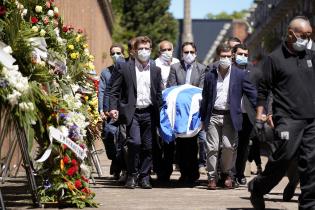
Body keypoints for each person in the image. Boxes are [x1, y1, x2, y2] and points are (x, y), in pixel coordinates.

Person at [248, 16, 315, 210]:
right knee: (283, 159)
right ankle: (258, 187)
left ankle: (309, 205)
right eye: (304, 35)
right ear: (291, 34)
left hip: (311, 118)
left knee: (311, 164)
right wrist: (261, 114)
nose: (308, 39)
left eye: (310, 35)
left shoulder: (311, 54)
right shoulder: (274, 59)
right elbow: (263, 89)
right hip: (287, 118)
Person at [200, 43, 256, 190]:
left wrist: (261, 108)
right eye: (222, 56)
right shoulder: (210, 75)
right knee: (212, 147)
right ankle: (212, 177)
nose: (225, 59)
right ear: (218, 57)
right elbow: (205, 98)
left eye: (228, 56)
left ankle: (226, 173)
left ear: (232, 57)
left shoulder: (239, 74)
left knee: (228, 146)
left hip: (230, 117)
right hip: (213, 115)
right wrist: (202, 118)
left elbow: (252, 93)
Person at [109, 36, 162, 189]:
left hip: (150, 112)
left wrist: (161, 110)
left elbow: (158, 93)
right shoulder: (124, 67)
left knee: (148, 146)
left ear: (151, 50)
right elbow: (114, 90)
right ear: (134, 51)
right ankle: (132, 174)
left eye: (147, 49)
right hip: (133, 113)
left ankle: (144, 176)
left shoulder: (155, 70)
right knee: (134, 143)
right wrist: (113, 108)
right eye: (141, 49)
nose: (144, 52)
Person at [166, 41, 206, 184]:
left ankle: (193, 173)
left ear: (196, 53)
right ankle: (184, 173)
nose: (189, 55)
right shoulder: (175, 68)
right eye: (186, 52)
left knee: (193, 144)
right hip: (179, 111)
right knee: (181, 144)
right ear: (182, 54)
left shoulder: (202, 69)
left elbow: (201, 90)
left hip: (195, 112)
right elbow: (171, 88)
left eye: (191, 52)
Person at [232, 44, 262, 186]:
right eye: (240, 54)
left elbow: (262, 93)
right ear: (233, 54)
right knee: (230, 145)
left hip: (248, 115)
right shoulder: (229, 70)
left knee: (244, 146)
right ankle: (229, 173)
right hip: (232, 114)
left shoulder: (255, 72)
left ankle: (239, 174)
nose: (243, 57)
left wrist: (262, 112)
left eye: (245, 54)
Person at [98, 43, 125, 179]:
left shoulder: (127, 70)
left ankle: (118, 167)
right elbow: (102, 91)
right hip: (110, 112)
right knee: (108, 134)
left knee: (122, 140)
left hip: (124, 111)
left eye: (118, 53)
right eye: (113, 53)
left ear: (123, 54)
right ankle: (115, 159)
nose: (116, 56)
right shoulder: (106, 73)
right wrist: (102, 109)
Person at [153, 40, 179, 181]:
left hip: (172, 108)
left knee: (170, 140)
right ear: (159, 52)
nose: (167, 52)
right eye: (164, 50)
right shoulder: (154, 64)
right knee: (157, 140)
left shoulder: (177, 64)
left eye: (169, 49)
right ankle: (158, 168)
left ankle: (167, 170)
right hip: (158, 106)